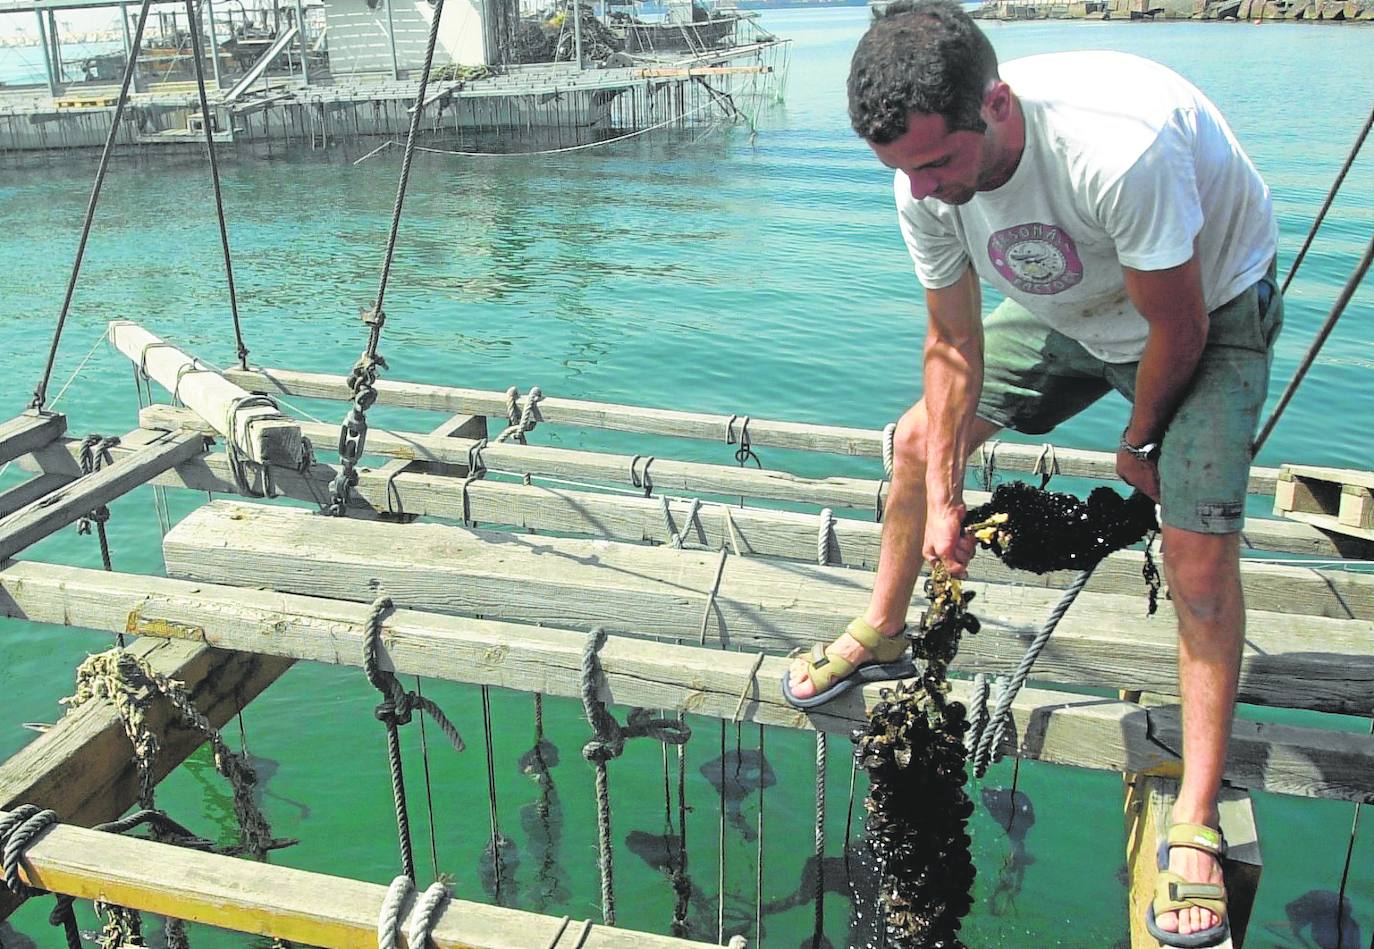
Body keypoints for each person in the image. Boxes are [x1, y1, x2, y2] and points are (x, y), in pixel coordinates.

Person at [780, 3, 1281, 946]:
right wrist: (944, 497)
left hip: (1203, 308)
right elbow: (952, 344)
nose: (924, 192)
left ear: (997, 105)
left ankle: (1197, 815)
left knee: (1199, 556)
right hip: (1070, 308)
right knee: (914, 441)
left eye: (937, 165)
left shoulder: (1115, 149)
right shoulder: (919, 182)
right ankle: (883, 627)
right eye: (904, 172)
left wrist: (1140, 442)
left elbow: (1177, 328)